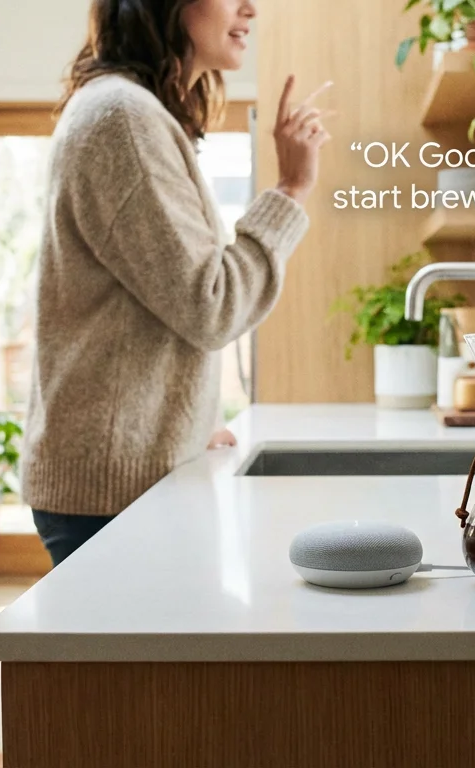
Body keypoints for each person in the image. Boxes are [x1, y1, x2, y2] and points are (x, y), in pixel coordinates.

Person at [23, 0, 330, 566]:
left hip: (122, 482)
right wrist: (291, 189)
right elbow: (209, 304)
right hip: (115, 496)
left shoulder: (130, 114)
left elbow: (150, 305)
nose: (250, 8)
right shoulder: (123, 119)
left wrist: (180, 427)